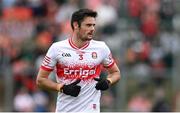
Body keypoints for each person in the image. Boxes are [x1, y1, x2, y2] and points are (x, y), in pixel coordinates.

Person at [36, 8, 121, 112]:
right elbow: (41, 80)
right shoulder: (57, 48)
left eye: (93, 25)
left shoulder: (101, 48)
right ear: (76, 25)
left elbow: (116, 73)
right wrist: (62, 87)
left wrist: (108, 81)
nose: (92, 29)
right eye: (88, 25)